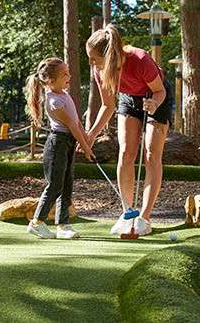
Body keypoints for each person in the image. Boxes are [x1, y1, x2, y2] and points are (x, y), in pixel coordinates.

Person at [84, 24, 173, 236]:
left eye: (94, 58)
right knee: (126, 153)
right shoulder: (99, 70)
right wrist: (91, 135)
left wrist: (154, 104)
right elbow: (108, 105)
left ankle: (145, 217)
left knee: (151, 155)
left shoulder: (140, 59)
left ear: (108, 55)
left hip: (156, 97)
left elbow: (159, 90)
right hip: (129, 100)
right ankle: (128, 214)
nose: (91, 63)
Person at [24, 57, 95, 239]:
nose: (69, 76)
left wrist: (86, 139)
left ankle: (63, 226)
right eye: (65, 74)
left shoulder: (64, 95)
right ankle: (36, 222)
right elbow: (71, 125)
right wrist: (86, 149)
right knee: (55, 185)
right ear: (50, 80)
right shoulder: (54, 102)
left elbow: (77, 122)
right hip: (58, 144)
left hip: (68, 143)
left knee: (66, 185)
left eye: (68, 72)